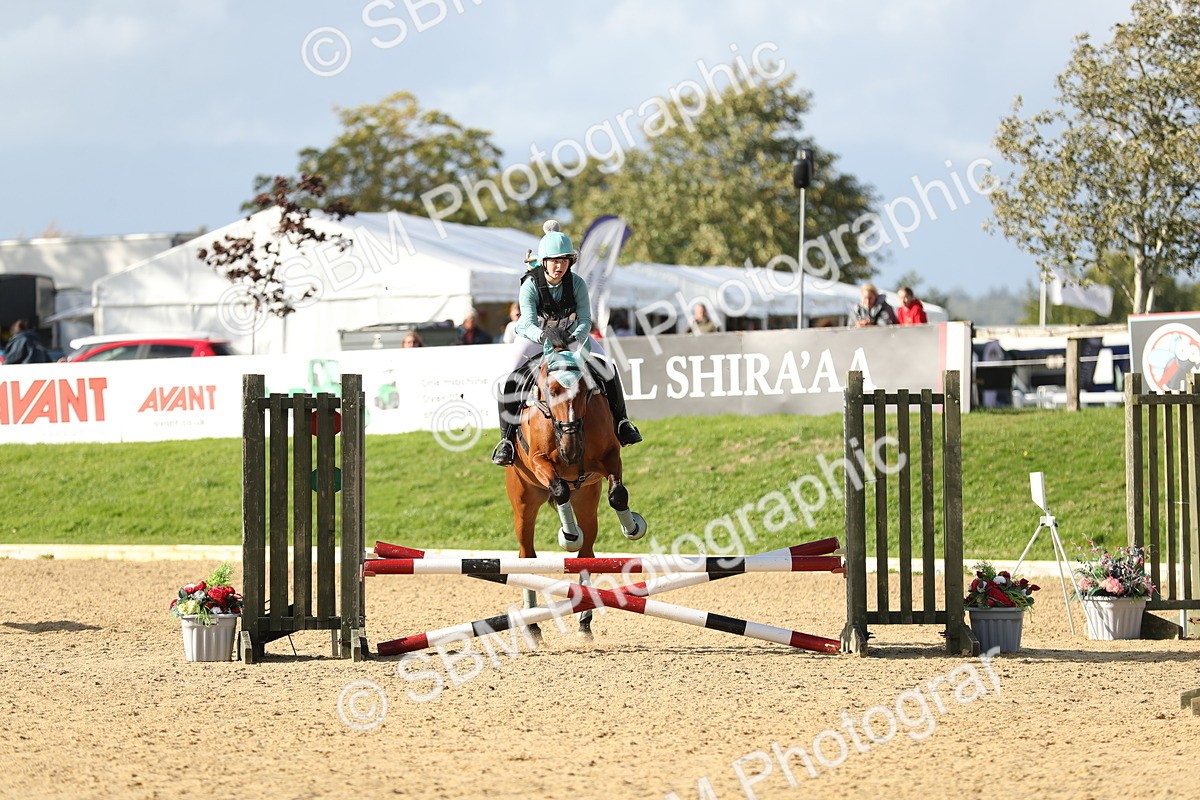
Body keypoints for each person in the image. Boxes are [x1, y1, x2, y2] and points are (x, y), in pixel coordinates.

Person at [491, 220, 642, 467]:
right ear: (544, 261)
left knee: (607, 366)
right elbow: (527, 322)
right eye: (554, 260)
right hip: (535, 336)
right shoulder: (530, 285)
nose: (560, 266)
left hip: (571, 334)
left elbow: (585, 319)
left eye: (564, 260)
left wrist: (575, 337)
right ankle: (506, 441)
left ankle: (623, 423)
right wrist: (545, 337)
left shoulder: (577, 283)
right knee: (510, 377)